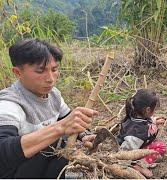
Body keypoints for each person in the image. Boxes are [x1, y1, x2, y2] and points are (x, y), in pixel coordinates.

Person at [0, 39, 98, 178]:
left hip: (44, 168)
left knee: (60, 144)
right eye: (40, 71)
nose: (50, 78)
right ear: (18, 72)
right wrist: (60, 128)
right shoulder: (9, 103)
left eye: (54, 69)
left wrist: (84, 135)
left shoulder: (53, 95)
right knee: (53, 142)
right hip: (15, 174)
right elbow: (2, 149)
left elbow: (66, 117)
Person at [117, 89, 167, 178]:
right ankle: (138, 165)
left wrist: (154, 121)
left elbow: (146, 120)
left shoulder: (135, 114)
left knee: (158, 146)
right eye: (154, 109)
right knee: (161, 147)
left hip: (138, 145)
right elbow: (125, 152)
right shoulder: (137, 132)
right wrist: (130, 161)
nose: (154, 112)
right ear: (148, 110)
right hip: (131, 153)